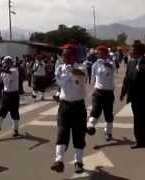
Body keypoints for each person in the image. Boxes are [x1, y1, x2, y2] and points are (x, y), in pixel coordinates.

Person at [51, 44, 87, 174]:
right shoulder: (60, 68)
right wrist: (67, 71)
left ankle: (79, 162)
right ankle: (59, 160)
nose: (64, 57)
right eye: (63, 55)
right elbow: (59, 82)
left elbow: (81, 74)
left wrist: (71, 70)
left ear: (74, 56)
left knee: (78, 135)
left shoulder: (81, 66)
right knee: (62, 133)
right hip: (65, 106)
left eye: (67, 55)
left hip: (78, 106)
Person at [87, 45, 116, 141]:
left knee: (108, 114)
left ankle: (108, 132)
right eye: (98, 53)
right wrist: (94, 89)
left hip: (108, 93)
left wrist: (104, 63)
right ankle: (90, 126)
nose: (99, 55)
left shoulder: (111, 63)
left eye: (101, 53)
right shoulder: (95, 64)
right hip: (98, 92)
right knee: (95, 110)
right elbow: (94, 78)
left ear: (106, 54)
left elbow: (112, 69)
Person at [120, 41, 145, 149]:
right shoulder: (131, 63)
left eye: (133, 50)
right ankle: (140, 141)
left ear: (140, 51)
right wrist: (123, 92)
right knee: (138, 119)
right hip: (135, 97)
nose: (130, 52)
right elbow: (127, 79)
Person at [0, 56, 20, 137]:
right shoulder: (3, 72)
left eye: (8, 62)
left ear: (11, 63)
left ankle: (15, 129)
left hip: (14, 94)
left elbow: (8, 72)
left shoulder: (14, 70)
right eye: (5, 62)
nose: (6, 64)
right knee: (2, 110)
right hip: (6, 93)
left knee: (14, 111)